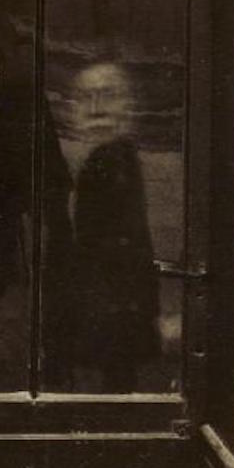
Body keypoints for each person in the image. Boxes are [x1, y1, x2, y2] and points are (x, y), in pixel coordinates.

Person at [40, 59, 160, 392]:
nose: (96, 108)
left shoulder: (112, 160)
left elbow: (127, 244)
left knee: (111, 386)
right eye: (86, 97)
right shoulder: (106, 160)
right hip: (109, 305)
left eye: (108, 95)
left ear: (128, 106)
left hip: (110, 306)